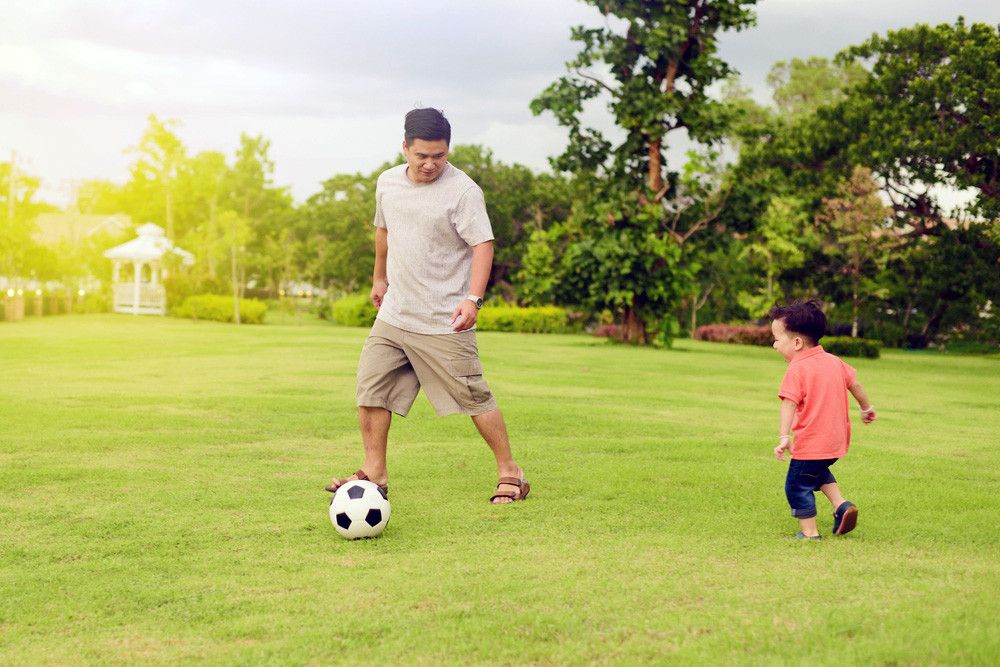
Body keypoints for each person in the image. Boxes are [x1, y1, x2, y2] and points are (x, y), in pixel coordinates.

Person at [325, 107, 530, 504]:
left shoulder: (463, 191)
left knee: (474, 396)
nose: (431, 163)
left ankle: (511, 471)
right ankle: (374, 473)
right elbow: (383, 232)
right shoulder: (387, 183)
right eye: (422, 155)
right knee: (371, 388)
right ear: (404, 148)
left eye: (439, 155)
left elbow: (482, 245)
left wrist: (473, 300)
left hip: (443, 319)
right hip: (395, 313)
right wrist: (378, 277)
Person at [769, 301, 876, 539]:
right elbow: (855, 385)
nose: (774, 345)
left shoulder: (797, 369)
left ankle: (809, 533)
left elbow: (789, 403)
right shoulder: (834, 361)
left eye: (777, 339)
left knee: (796, 484)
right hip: (835, 441)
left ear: (796, 343)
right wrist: (866, 408)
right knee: (815, 472)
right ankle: (842, 505)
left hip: (812, 442)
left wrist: (784, 437)